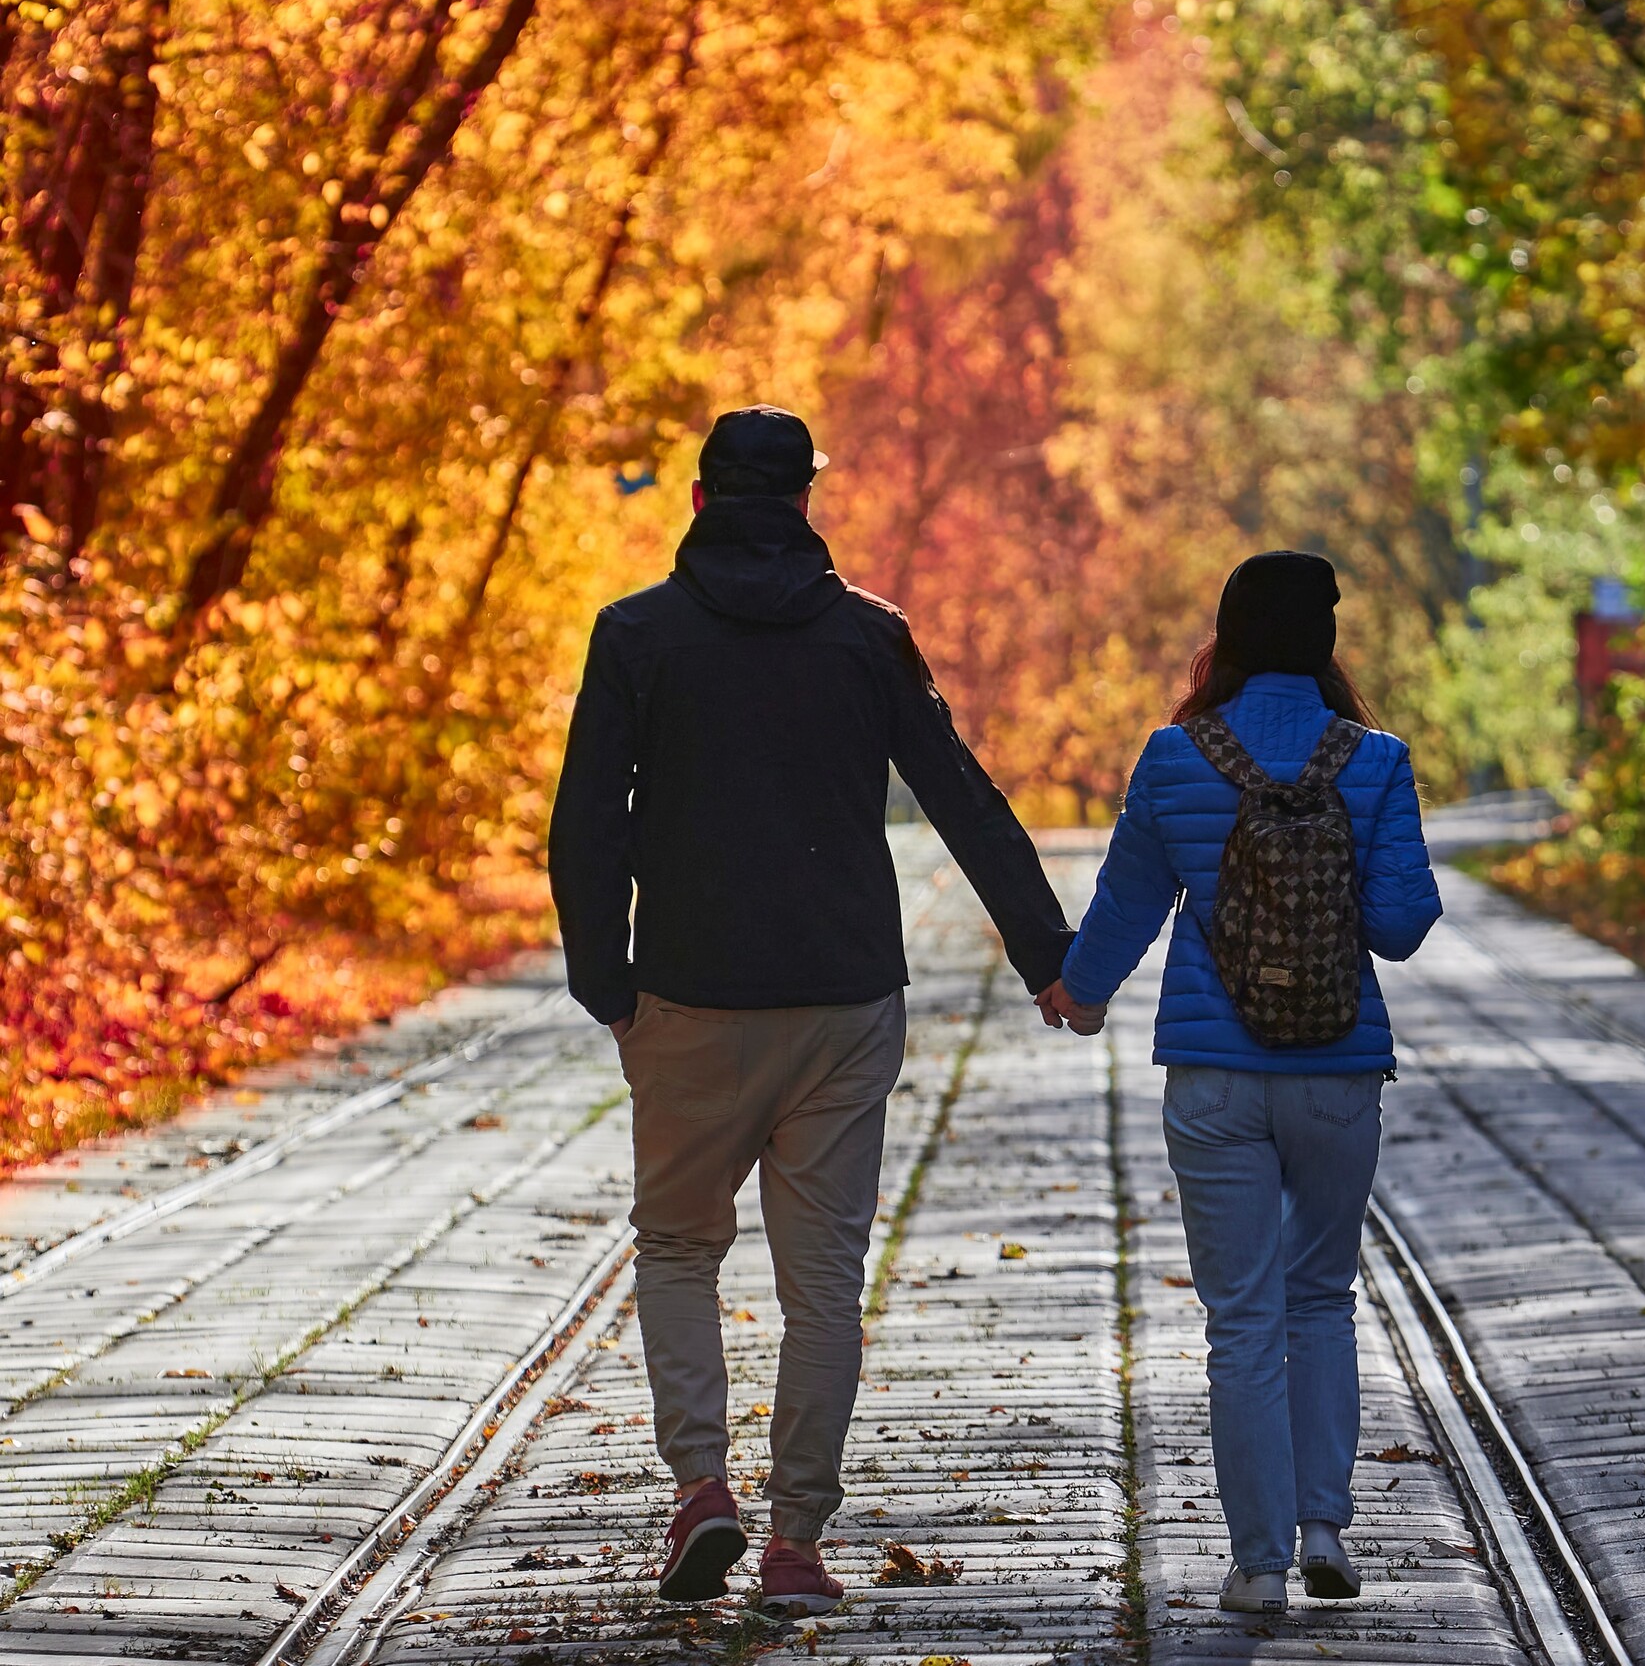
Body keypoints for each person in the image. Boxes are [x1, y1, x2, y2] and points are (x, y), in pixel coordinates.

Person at [548, 406, 1073, 1615]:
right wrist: (1048, 955)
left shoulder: (636, 634)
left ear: (695, 500)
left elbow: (584, 821)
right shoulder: (867, 638)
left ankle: (699, 1489)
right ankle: (793, 1542)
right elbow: (959, 793)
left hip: (686, 993)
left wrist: (605, 984)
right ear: (802, 502)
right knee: (821, 1282)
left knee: (679, 1246)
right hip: (843, 1000)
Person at [1037, 551, 1441, 1611]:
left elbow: (1125, 904)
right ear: (1323, 642)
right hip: (1337, 1072)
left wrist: (1078, 993)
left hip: (1213, 1075)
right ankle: (1325, 1531)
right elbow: (1400, 927)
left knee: (1241, 1320)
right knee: (1319, 1297)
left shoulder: (1175, 758)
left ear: (1227, 636)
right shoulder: (1375, 759)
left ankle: (1256, 1564)